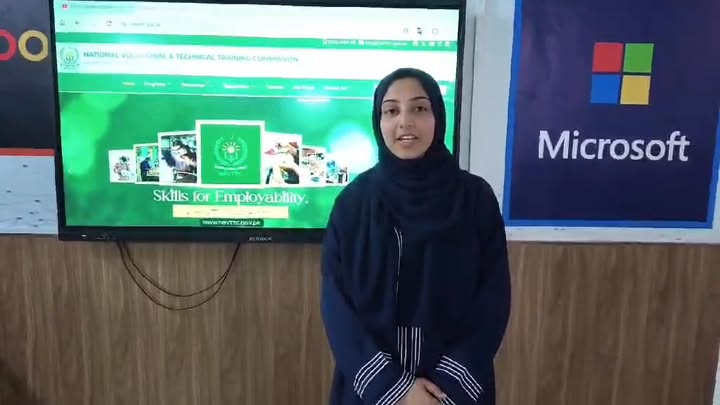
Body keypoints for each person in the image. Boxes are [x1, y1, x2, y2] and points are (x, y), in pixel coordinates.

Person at [320, 68, 511, 405]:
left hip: (454, 392)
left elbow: (492, 300)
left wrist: (443, 390)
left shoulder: (474, 199)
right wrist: (394, 390)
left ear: (438, 117)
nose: (405, 122)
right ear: (379, 122)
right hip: (371, 391)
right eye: (391, 110)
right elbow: (337, 305)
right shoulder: (354, 203)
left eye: (419, 108)